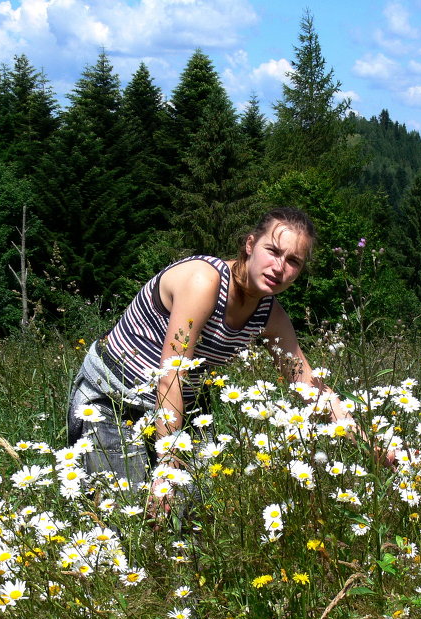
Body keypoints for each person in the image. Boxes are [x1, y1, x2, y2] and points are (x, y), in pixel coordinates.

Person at [67, 207, 352, 513]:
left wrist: (374, 443)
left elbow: (308, 384)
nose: (279, 267)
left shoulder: (270, 315)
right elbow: (171, 374)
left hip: (180, 411)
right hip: (113, 401)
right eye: (272, 251)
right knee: (122, 517)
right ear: (250, 244)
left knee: (188, 521)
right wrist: (166, 471)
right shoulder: (205, 280)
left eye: (293, 261)